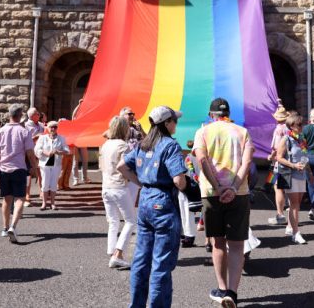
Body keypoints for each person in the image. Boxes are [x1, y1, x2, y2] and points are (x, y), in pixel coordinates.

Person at [117, 105, 190, 308]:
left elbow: (121, 166)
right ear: (166, 123)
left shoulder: (143, 144)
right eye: (174, 120)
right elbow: (178, 180)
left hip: (146, 201)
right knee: (161, 263)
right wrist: (187, 186)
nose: (176, 123)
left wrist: (141, 182)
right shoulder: (170, 145)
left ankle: (137, 304)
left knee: (141, 259)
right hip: (164, 202)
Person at [193, 98, 254, 308]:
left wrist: (218, 187)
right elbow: (247, 162)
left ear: (211, 115)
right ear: (228, 112)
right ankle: (232, 292)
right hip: (239, 193)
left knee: (218, 243)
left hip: (211, 193)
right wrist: (234, 188)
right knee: (237, 245)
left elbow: (201, 160)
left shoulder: (203, 132)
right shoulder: (242, 131)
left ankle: (221, 287)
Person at [0, 104, 40, 243]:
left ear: (9, 115)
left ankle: (5, 227)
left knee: (6, 199)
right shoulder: (24, 132)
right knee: (20, 199)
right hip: (19, 169)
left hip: (3, 169)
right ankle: (13, 227)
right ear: (21, 116)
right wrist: (35, 169)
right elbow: (30, 153)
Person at [100, 116, 137, 269]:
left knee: (113, 220)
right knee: (131, 221)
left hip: (106, 186)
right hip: (119, 186)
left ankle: (111, 250)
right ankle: (118, 253)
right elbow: (125, 167)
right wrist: (136, 180)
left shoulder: (105, 144)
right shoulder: (123, 145)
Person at [275, 111, 309, 245]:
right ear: (291, 126)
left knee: (296, 205)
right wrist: (293, 165)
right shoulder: (286, 139)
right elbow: (278, 157)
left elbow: (305, 155)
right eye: (298, 125)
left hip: (302, 174)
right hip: (291, 174)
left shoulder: (301, 139)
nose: (301, 127)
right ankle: (296, 233)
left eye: (302, 124)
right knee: (294, 205)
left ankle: (290, 227)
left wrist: (309, 173)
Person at [35, 120, 70, 210]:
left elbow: (67, 151)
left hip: (56, 163)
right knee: (45, 183)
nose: (53, 129)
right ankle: (44, 203)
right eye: (51, 127)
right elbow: (37, 149)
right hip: (45, 163)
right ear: (48, 128)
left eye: (55, 127)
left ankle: (53, 203)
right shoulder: (43, 138)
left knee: (54, 183)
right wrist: (45, 152)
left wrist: (59, 152)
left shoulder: (61, 138)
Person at [267, 103, 289, 226]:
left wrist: (271, 156)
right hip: (289, 161)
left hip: (279, 162)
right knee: (287, 188)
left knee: (278, 188)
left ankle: (280, 214)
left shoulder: (279, 129)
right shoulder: (289, 128)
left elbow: (276, 146)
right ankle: (289, 214)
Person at [24, 108, 45, 207]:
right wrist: (36, 137)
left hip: (40, 152)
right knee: (28, 174)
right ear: (31, 116)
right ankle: (27, 194)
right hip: (30, 152)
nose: (39, 115)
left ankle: (42, 192)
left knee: (41, 172)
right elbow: (25, 140)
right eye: (37, 114)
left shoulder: (41, 125)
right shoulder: (25, 126)